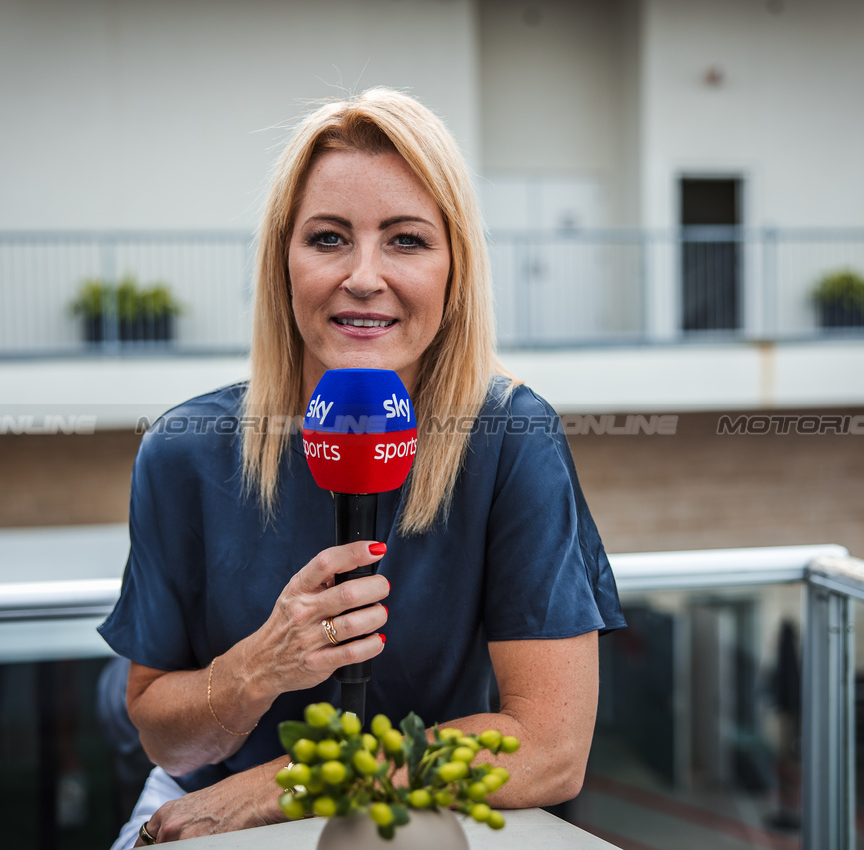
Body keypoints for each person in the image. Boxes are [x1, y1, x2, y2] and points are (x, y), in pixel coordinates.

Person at [97, 87, 625, 847]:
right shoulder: (185, 448)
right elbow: (167, 743)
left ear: (455, 269)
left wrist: (292, 782)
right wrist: (258, 668)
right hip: (205, 814)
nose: (364, 276)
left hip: (408, 814)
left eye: (406, 240)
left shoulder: (510, 436)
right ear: (283, 261)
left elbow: (549, 751)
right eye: (328, 238)